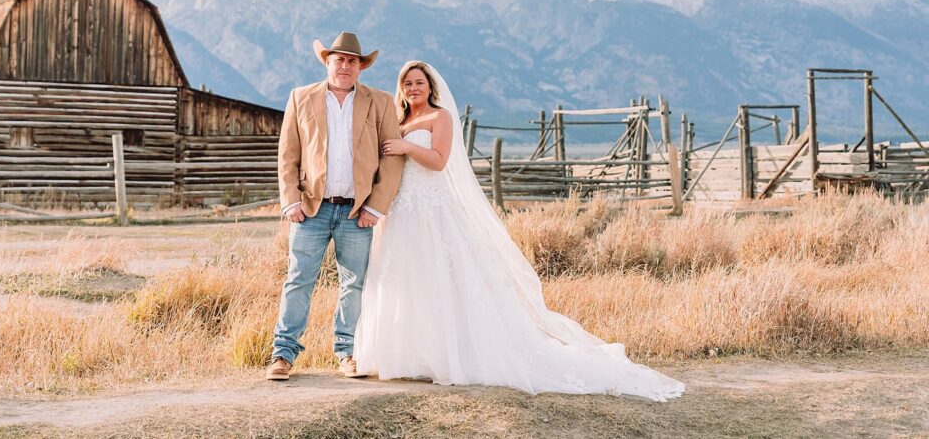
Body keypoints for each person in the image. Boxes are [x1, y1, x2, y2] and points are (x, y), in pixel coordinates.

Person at [354, 61, 685, 401]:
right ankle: (410, 354)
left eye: (419, 82)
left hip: (432, 211)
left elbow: (439, 161)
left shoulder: (440, 118)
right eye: (407, 83)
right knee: (407, 281)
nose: (413, 88)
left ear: (430, 87)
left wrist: (408, 147)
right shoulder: (398, 120)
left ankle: (446, 356)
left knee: (441, 280)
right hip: (401, 211)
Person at [266, 32, 404, 381]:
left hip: (357, 212)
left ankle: (347, 353)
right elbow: (288, 153)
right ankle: (282, 354)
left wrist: (376, 206)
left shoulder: (381, 102)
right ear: (327, 62)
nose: (345, 66)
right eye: (338, 59)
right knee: (298, 280)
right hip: (311, 208)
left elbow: (392, 160)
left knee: (354, 283)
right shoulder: (300, 98)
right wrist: (290, 200)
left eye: (352, 61)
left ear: (360, 67)